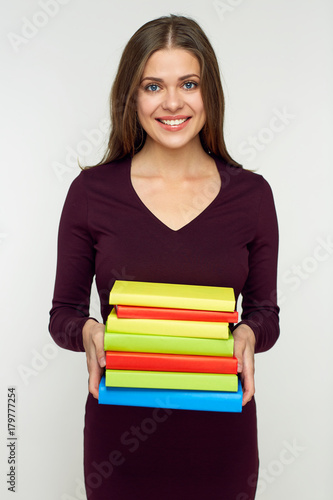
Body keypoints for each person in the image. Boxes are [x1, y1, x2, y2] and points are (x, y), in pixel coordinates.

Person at [49, 14, 279, 500]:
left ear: (208, 93)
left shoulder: (251, 195)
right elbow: (63, 314)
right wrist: (89, 331)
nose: (172, 102)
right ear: (131, 97)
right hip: (120, 438)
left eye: (188, 83)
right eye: (153, 85)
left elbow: (266, 313)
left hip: (222, 438)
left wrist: (250, 331)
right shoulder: (92, 192)